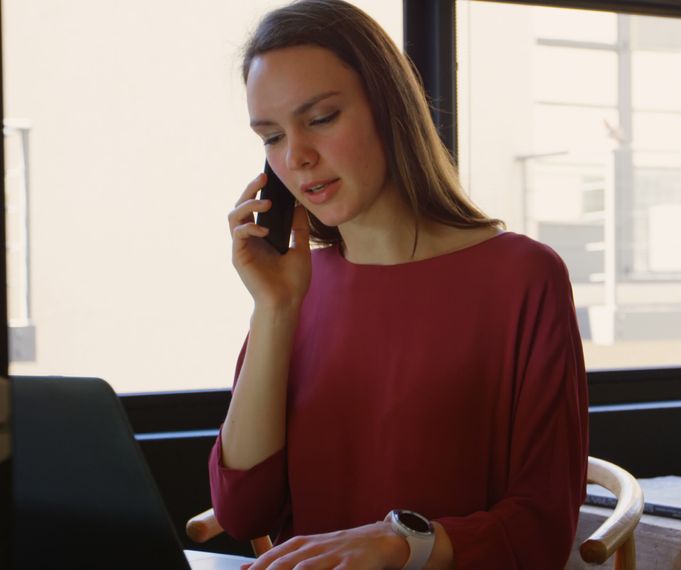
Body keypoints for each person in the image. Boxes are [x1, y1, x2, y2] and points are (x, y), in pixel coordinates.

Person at [209, 1, 590, 568]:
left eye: (320, 118)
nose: (298, 157)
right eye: (271, 136)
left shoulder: (522, 278)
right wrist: (275, 309)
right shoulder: (294, 291)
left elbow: (542, 527)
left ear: (388, 108)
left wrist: (400, 543)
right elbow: (243, 511)